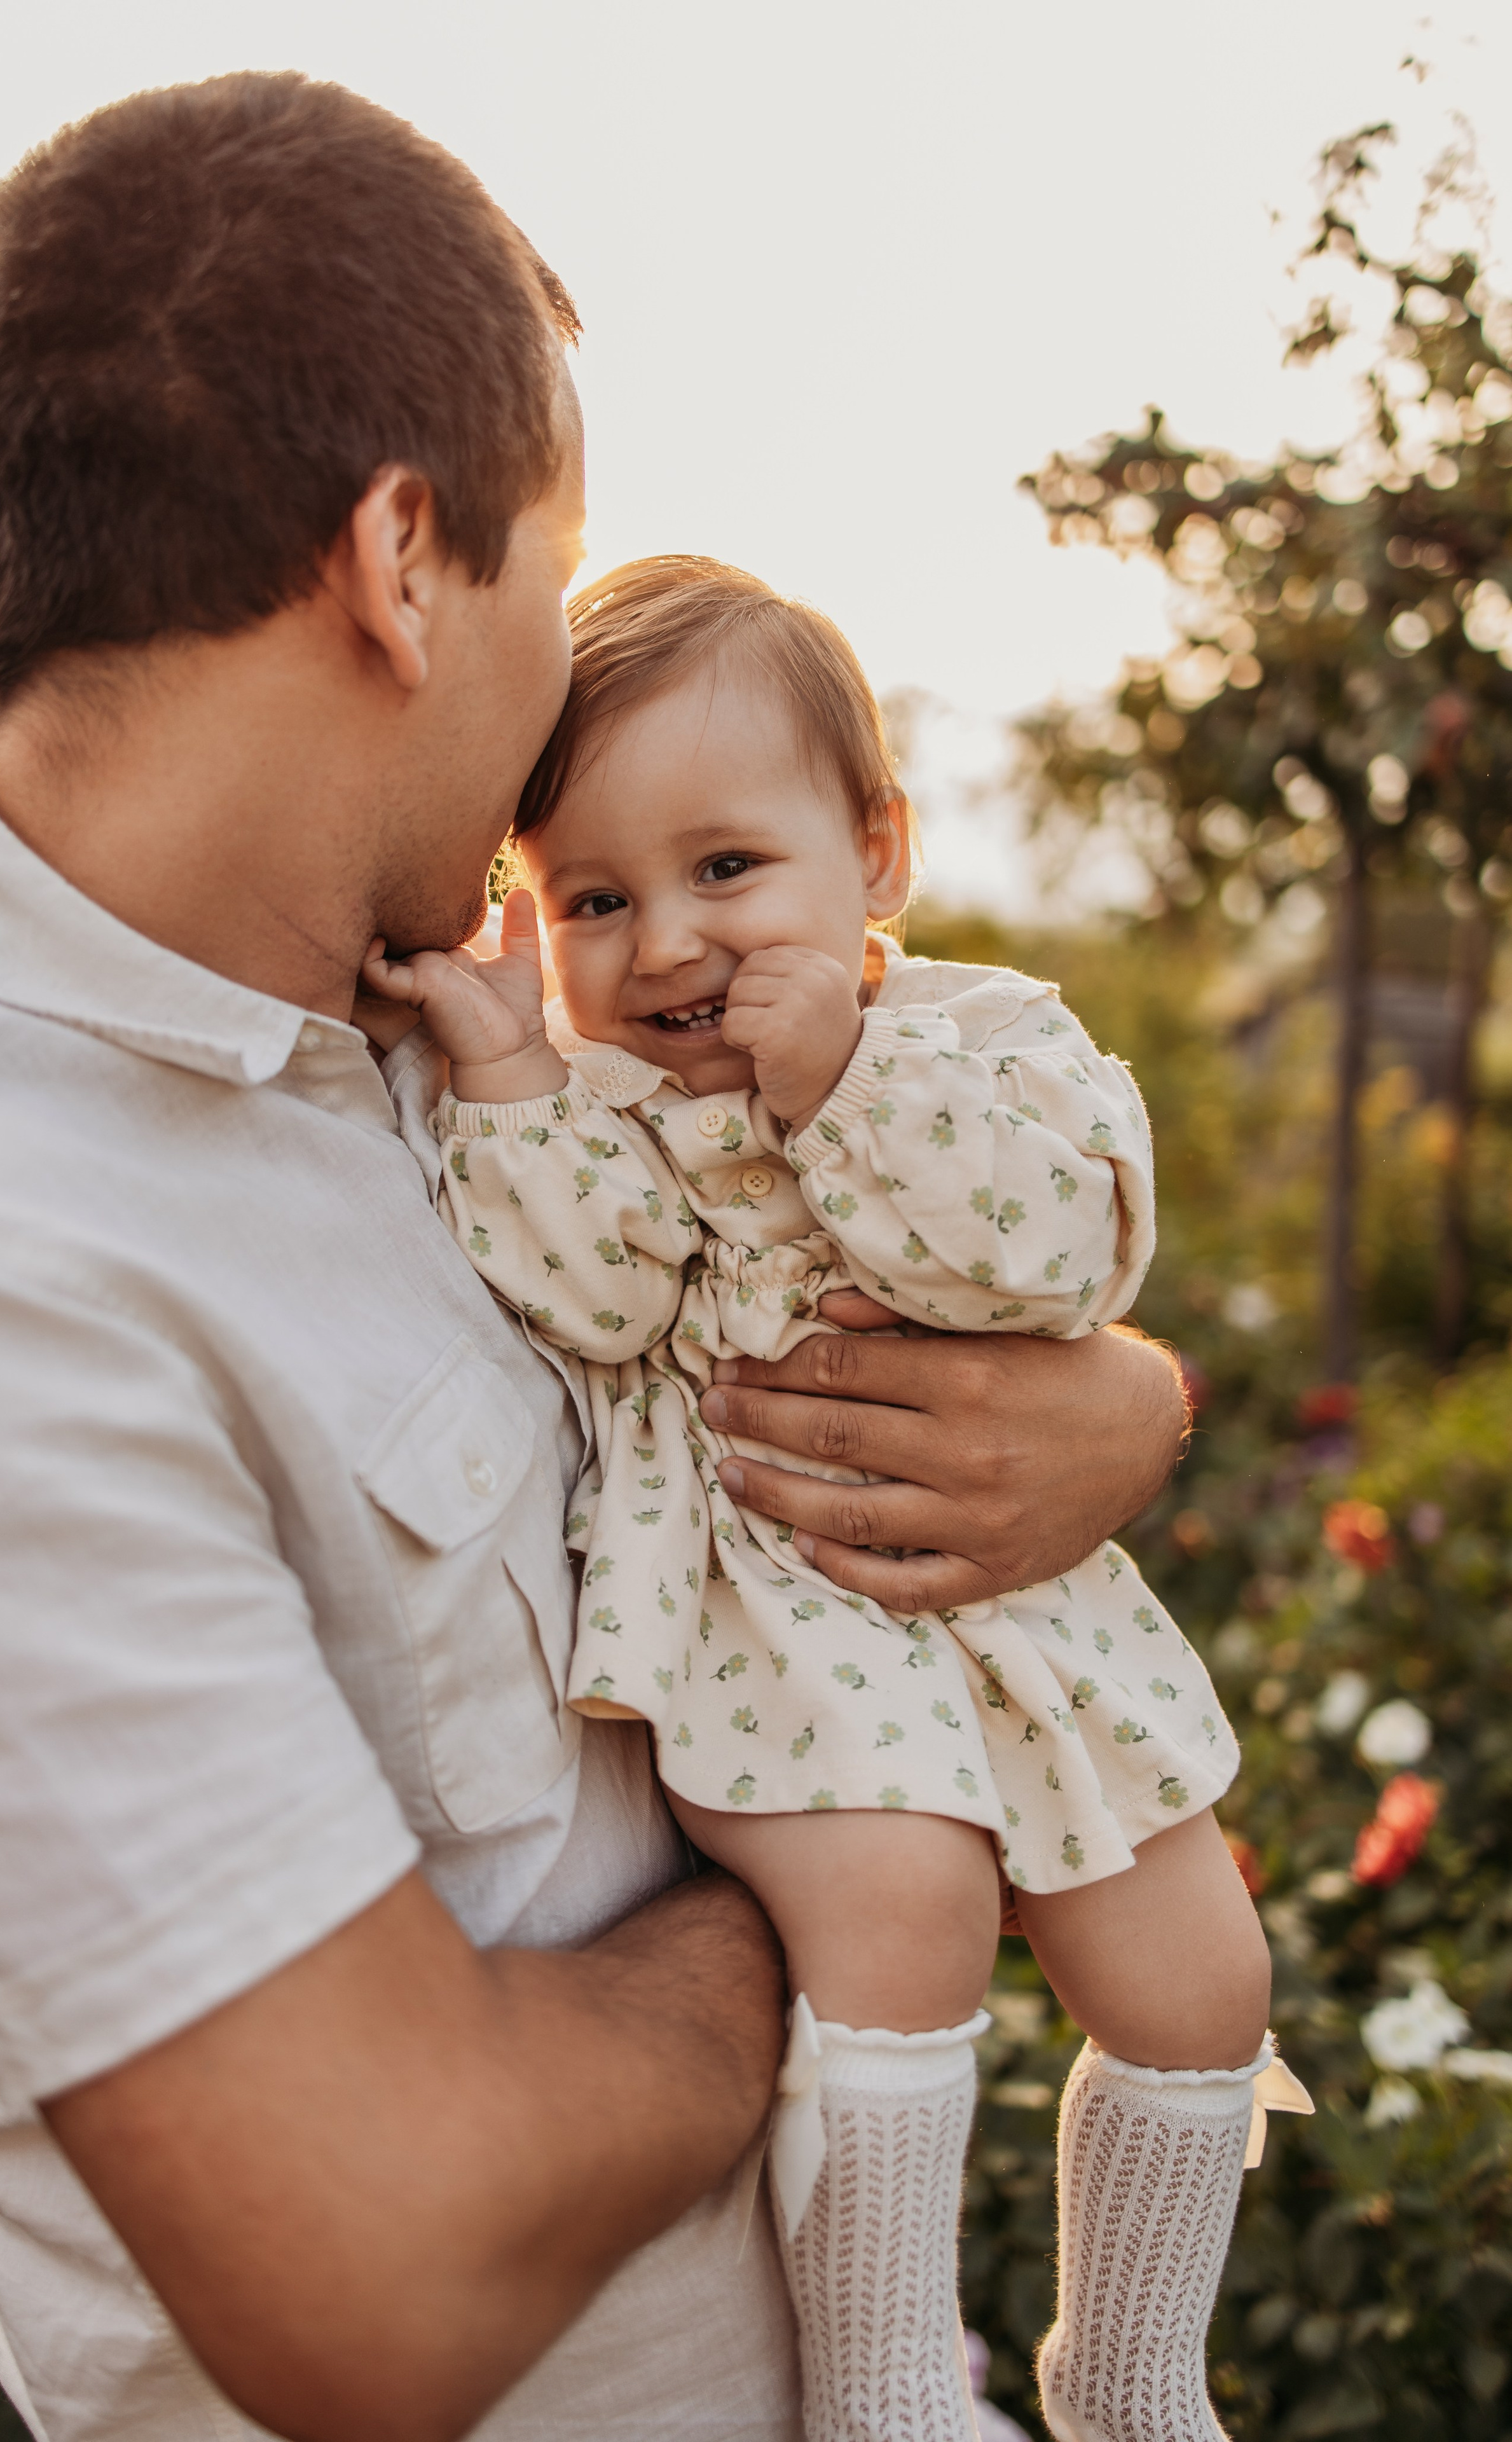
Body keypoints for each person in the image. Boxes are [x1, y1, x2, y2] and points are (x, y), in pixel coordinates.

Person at [0, 72, 1191, 2442]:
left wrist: (1109, 1411)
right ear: (403, 562)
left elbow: (769, 1268)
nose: (548, 709)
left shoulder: (421, 1009)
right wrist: (844, 1882)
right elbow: (380, 2262)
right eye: (547, 572)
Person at [362, 556, 1285, 2442]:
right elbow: (597, 1295)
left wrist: (845, 1082)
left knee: (1204, 1971)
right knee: (904, 1914)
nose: (671, 946)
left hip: (1022, 1615)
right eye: (594, 903)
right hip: (782, 1624)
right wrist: (516, 1065)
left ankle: (1129, 2375)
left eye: (728, 872)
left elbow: (1056, 1263)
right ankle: (886, 2394)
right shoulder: (610, 1106)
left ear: (875, 854)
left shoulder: (983, 1043)